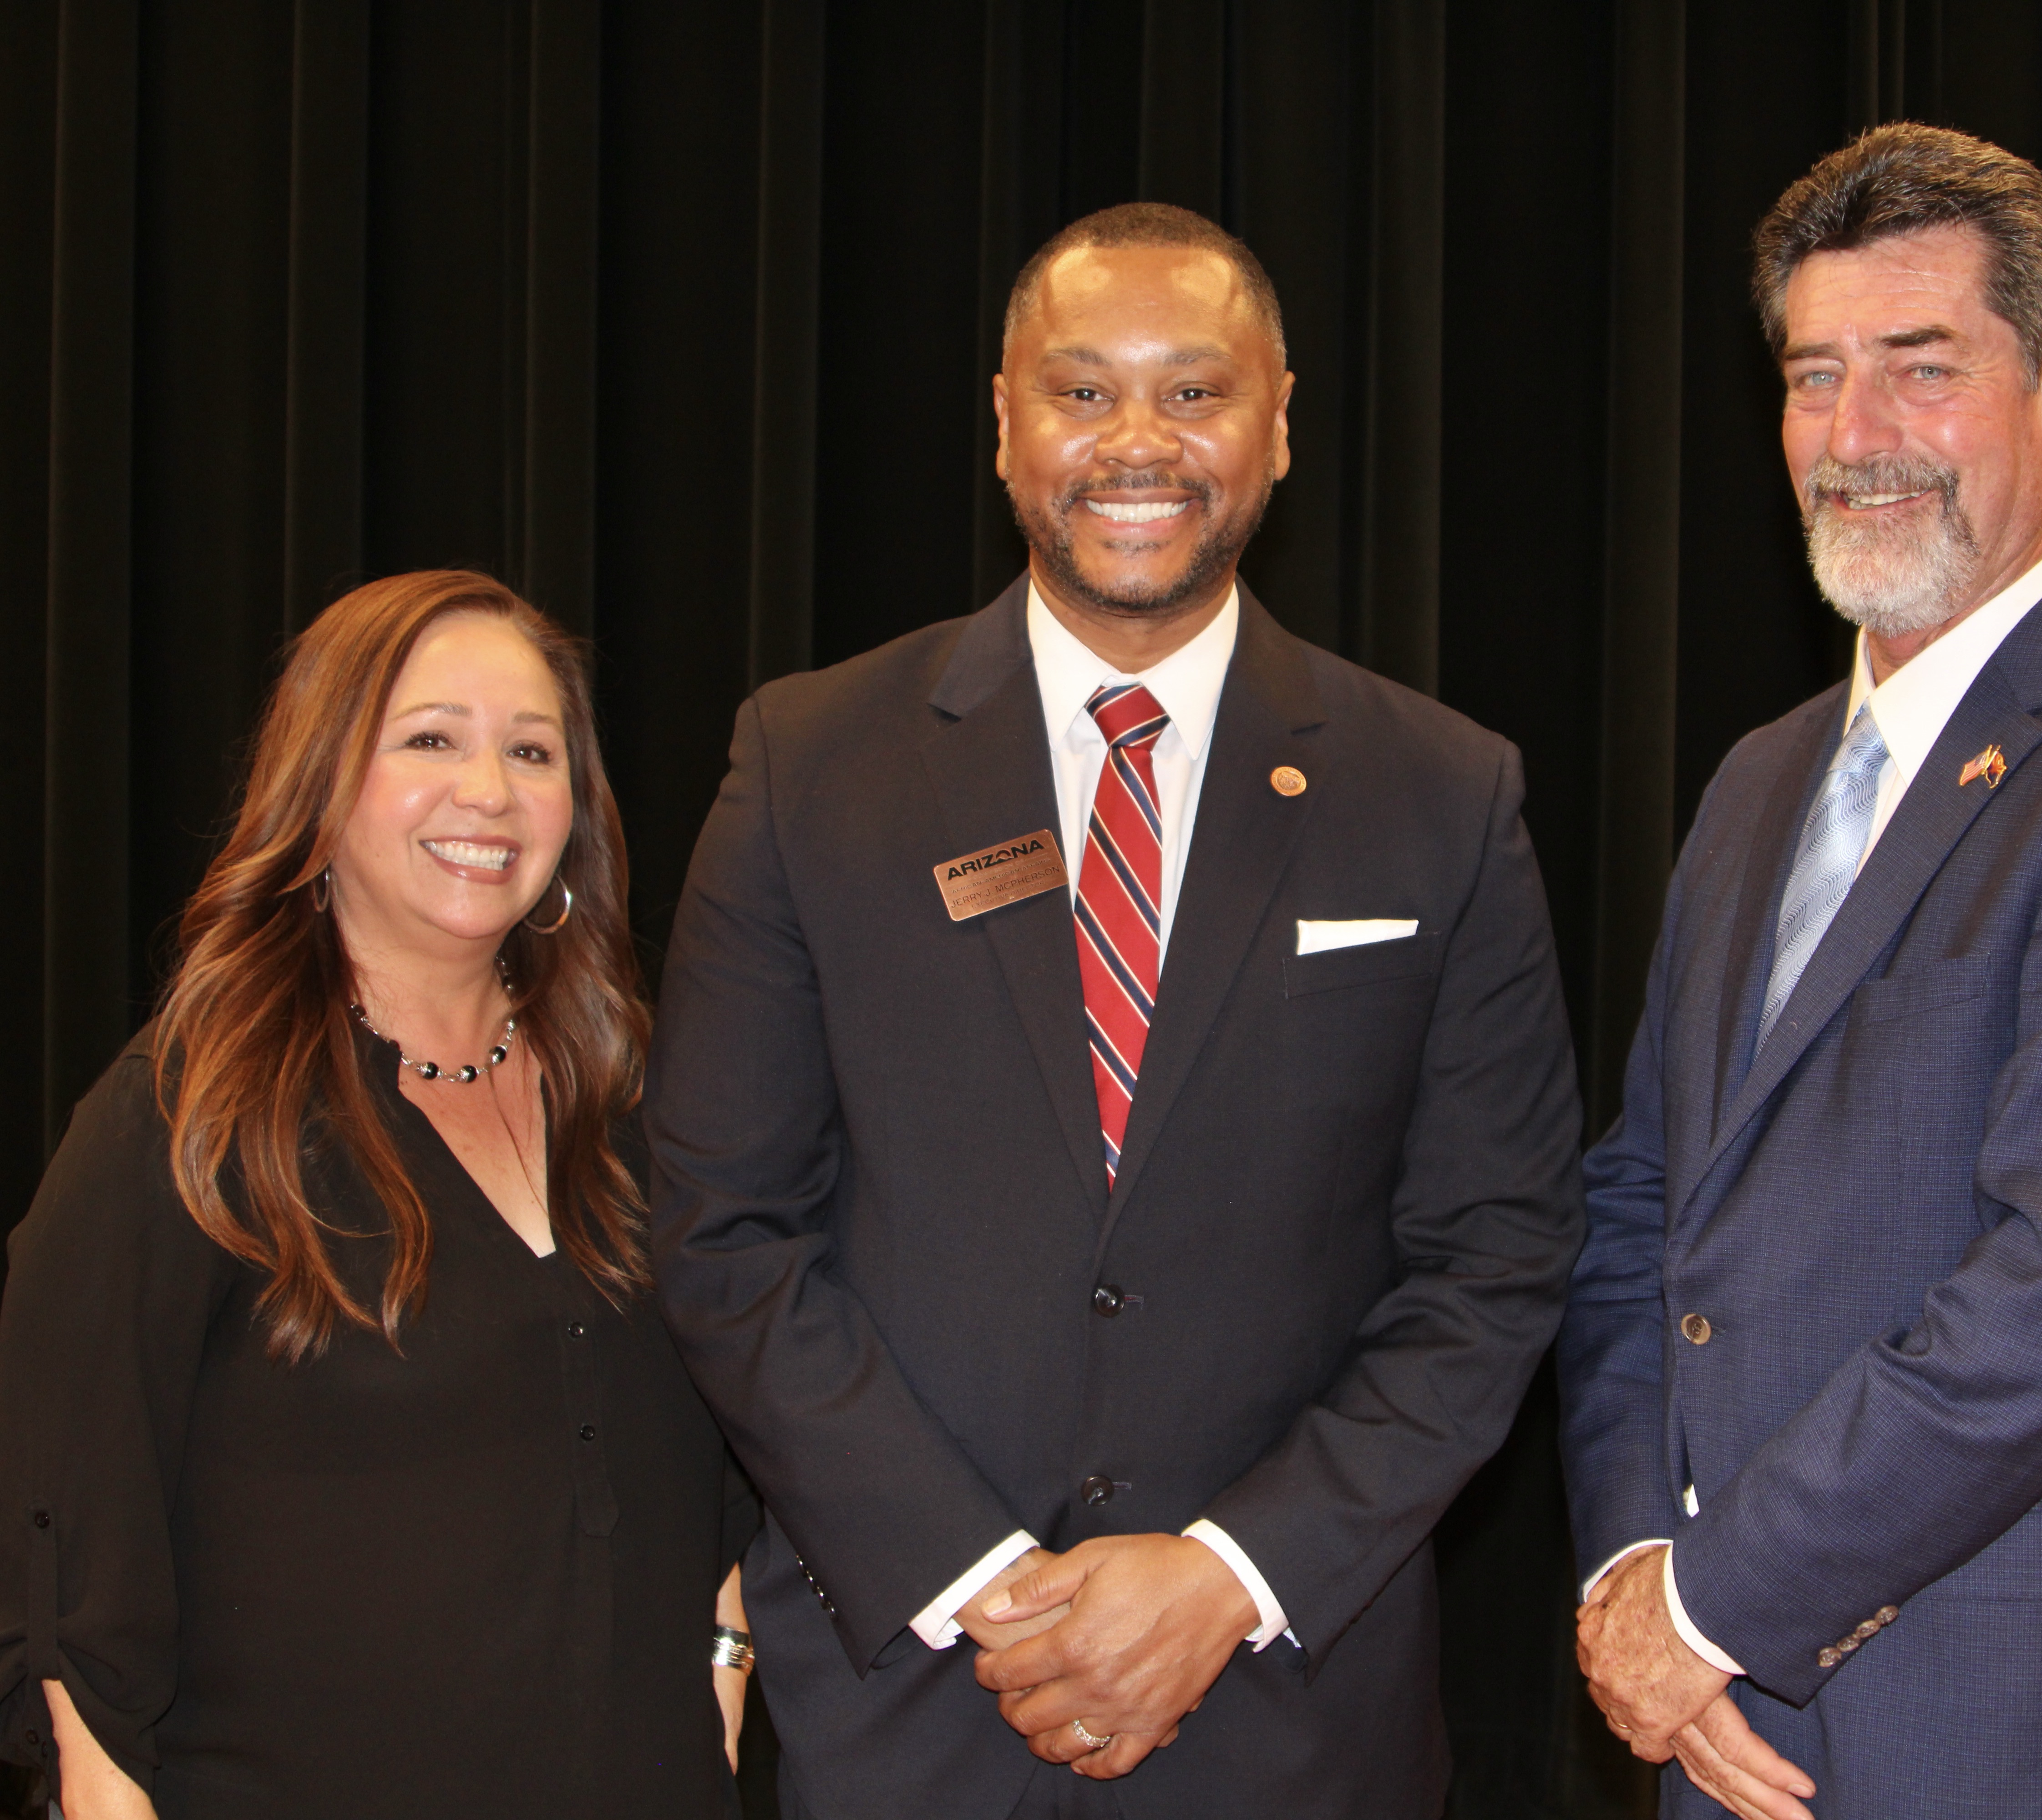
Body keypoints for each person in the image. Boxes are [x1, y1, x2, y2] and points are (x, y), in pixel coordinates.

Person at [645, 202, 1584, 1820]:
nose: (1137, 442)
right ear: (1002, 423)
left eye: (1196, 392)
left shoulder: (1440, 792)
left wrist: (1230, 1573)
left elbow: (1497, 1258)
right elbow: (726, 1229)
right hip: (911, 1703)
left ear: (1282, 422)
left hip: (1292, 1715)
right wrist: (989, 1584)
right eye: (1083, 393)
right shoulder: (811, 764)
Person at [1557, 121, 2042, 1820]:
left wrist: (1711, 1603)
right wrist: (1635, 1566)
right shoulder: (1763, 778)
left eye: (1923, 370)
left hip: (2030, 1727)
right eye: (1814, 377)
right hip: (1723, 1727)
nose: (1857, 438)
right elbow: (1640, 1212)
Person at [0, 572, 759, 1819]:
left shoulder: (649, 1101)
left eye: (532, 750)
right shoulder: (189, 1114)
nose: (489, 791)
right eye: (429, 741)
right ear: (321, 783)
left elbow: (737, 1419)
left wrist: (728, 1656)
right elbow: (66, 1519)